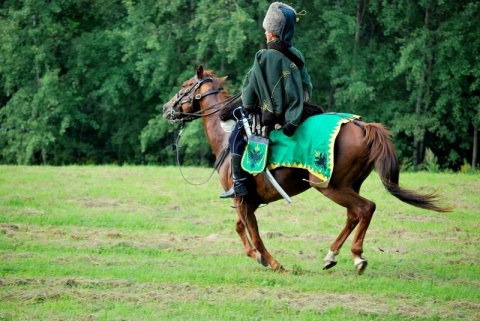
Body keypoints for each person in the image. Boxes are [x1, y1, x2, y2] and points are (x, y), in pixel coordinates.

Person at [219, 2, 313, 199]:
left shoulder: (263, 56)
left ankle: (240, 184)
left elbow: (248, 96)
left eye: (267, 30)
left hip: (269, 115)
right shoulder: (296, 55)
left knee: (235, 137)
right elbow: (306, 85)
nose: (265, 33)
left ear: (271, 33)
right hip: (295, 112)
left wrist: (248, 105)